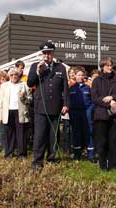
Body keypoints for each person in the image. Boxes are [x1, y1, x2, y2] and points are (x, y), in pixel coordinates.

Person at [27, 41, 69, 170]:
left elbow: (65, 88)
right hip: (41, 106)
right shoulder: (35, 66)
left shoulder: (60, 67)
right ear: (42, 54)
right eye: (44, 53)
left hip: (56, 106)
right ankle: (37, 161)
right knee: (40, 135)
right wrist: (38, 72)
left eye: (49, 53)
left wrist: (66, 104)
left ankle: (51, 157)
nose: (47, 55)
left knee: (53, 135)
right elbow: (30, 83)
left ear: (53, 53)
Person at [91, 57, 116, 171]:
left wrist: (113, 98)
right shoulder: (97, 81)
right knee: (102, 141)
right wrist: (109, 103)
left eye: (111, 65)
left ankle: (113, 165)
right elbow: (94, 98)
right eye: (107, 65)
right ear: (102, 67)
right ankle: (102, 165)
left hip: (114, 116)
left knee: (112, 141)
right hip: (101, 115)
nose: (110, 67)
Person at [69, 66, 95, 161]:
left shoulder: (88, 88)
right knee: (76, 133)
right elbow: (68, 102)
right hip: (75, 113)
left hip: (87, 113)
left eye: (82, 75)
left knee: (89, 132)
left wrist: (90, 110)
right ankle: (77, 154)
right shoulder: (71, 88)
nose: (80, 77)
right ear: (75, 76)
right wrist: (71, 112)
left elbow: (93, 101)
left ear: (84, 76)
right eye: (78, 75)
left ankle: (91, 155)